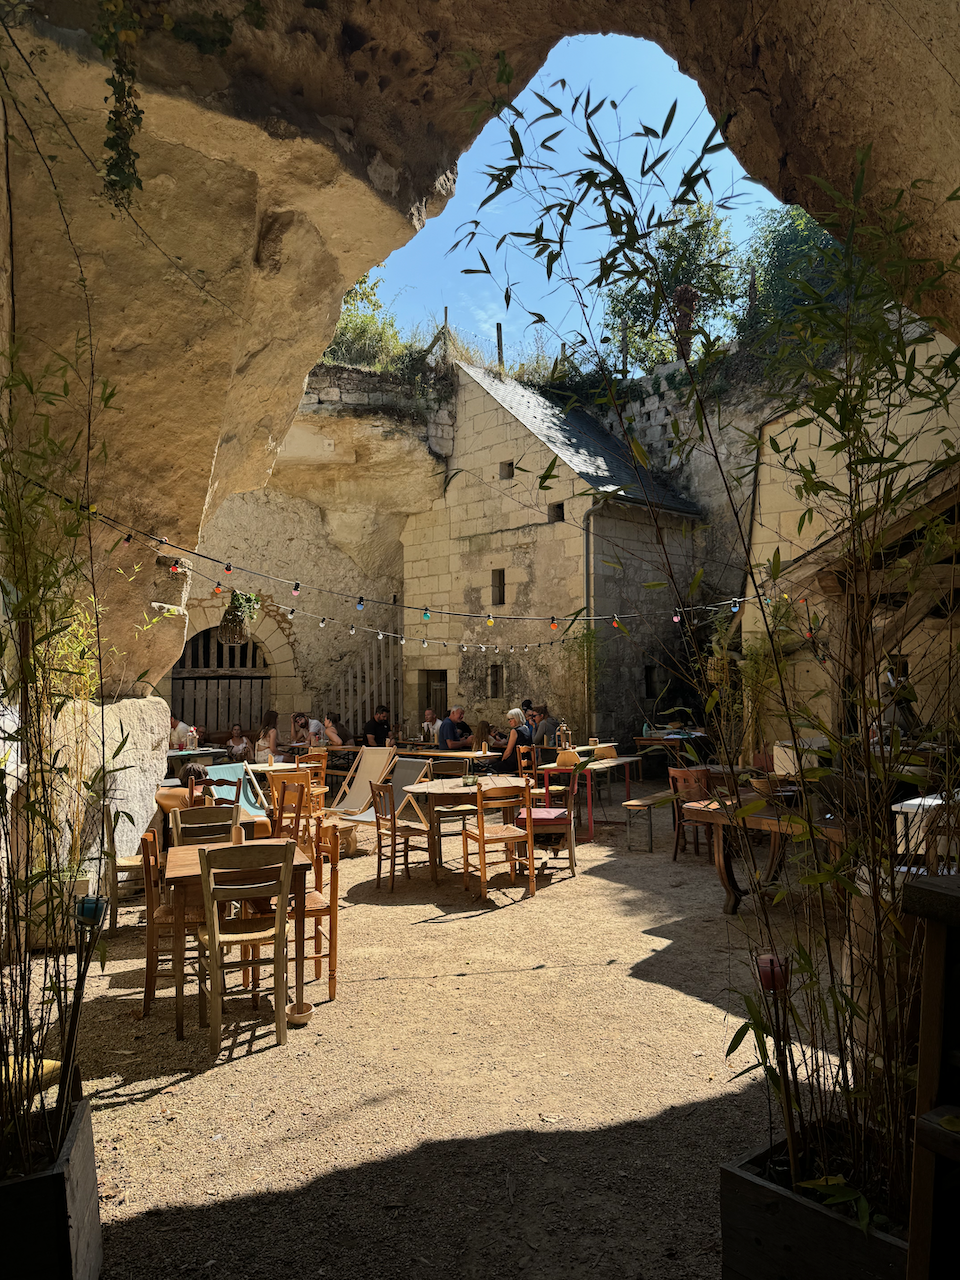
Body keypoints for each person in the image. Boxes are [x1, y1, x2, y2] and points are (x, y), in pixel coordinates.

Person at [499, 707, 532, 774]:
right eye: (508, 719)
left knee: (490, 769)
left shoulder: (514, 731)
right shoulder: (526, 729)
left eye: (511, 719)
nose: (509, 721)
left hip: (515, 764)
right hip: (526, 762)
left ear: (517, 718)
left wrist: (502, 761)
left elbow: (508, 751)